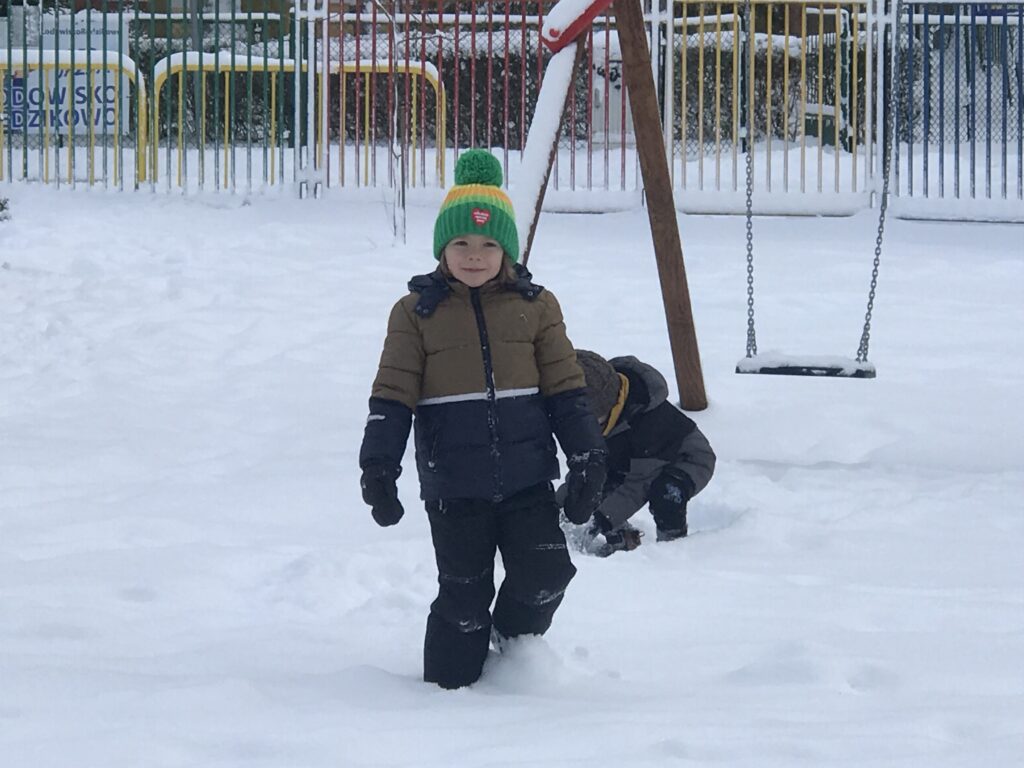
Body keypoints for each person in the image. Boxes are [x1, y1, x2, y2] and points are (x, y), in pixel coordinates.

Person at [358, 150, 607, 690]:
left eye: (489, 244)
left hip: (527, 479)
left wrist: (588, 456)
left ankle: (514, 648)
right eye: (462, 244)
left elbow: (567, 389)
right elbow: (392, 396)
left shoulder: (537, 307)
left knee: (546, 575)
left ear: (508, 250)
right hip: (456, 488)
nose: (475, 256)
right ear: (442, 249)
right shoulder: (414, 314)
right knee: (463, 601)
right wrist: (379, 467)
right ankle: (445, 700)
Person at [563, 350, 716, 557]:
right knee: (597, 487)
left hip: (686, 460)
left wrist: (597, 521)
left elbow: (638, 486)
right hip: (630, 458)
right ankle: (624, 538)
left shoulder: (651, 423)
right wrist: (561, 507)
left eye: (595, 422)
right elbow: (584, 471)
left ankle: (673, 549)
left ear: (610, 407)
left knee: (666, 494)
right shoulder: (601, 418)